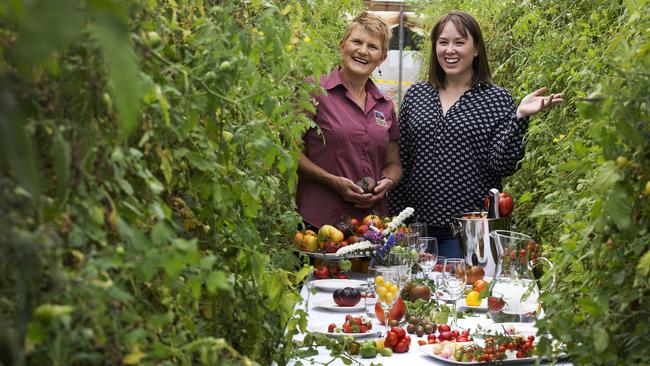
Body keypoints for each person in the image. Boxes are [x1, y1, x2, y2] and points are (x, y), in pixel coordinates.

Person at [388, 10, 563, 258]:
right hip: (416, 231)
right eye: (443, 42)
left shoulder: (496, 99)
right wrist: (397, 225)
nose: (450, 50)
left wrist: (520, 118)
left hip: (466, 233)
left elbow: (502, 163)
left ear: (476, 49)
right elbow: (401, 160)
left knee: (459, 295)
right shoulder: (417, 95)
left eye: (460, 42)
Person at [296, 12, 402, 229]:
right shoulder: (314, 90)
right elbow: (289, 152)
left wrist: (387, 182)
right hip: (320, 223)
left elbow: (393, 164)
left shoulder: (385, 105)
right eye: (357, 41)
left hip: (370, 227)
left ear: (382, 57)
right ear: (342, 45)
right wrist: (332, 181)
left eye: (372, 46)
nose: (363, 51)